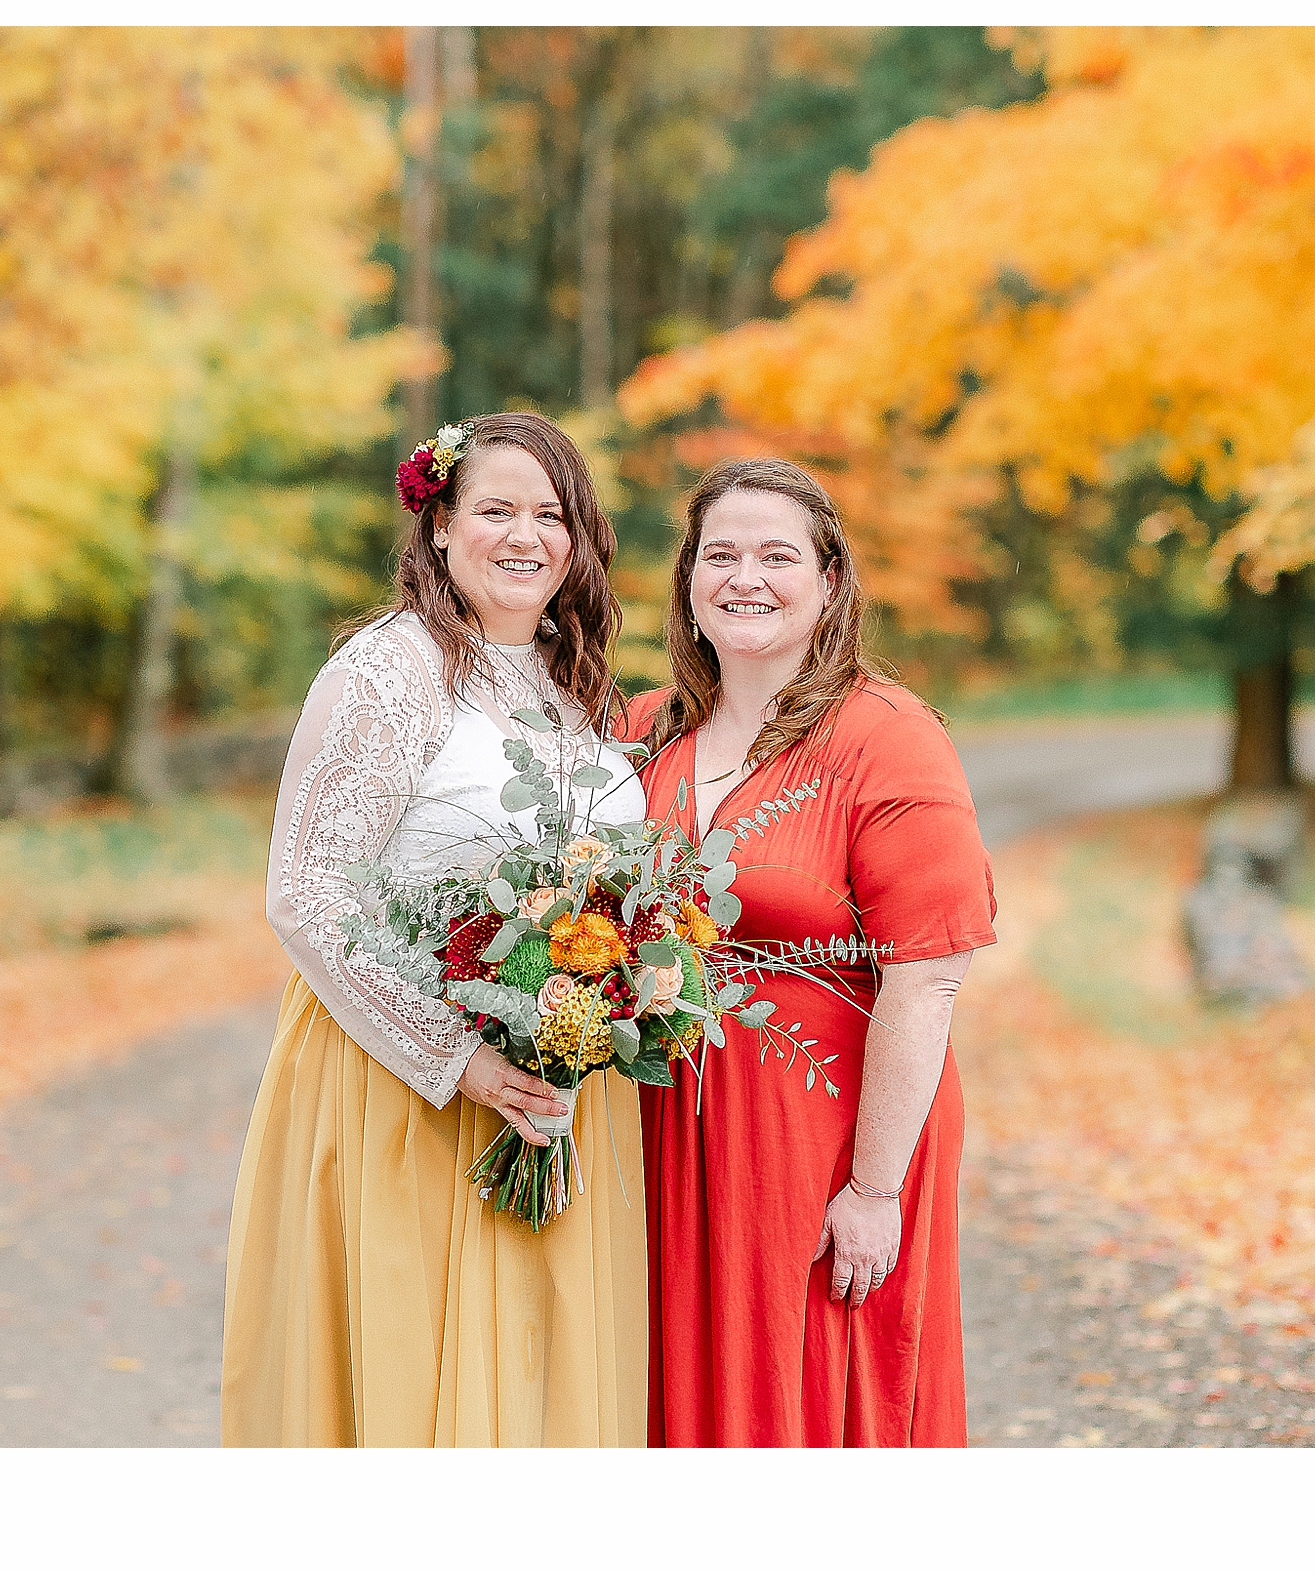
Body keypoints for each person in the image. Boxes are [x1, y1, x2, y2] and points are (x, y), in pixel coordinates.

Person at [223, 411, 649, 1446]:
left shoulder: (574, 681)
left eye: (550, 515)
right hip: (406, 1087)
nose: (524, 535)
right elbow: (307, 892)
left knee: (545, 1390)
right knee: (420, 1393)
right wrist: (456, 1056)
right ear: (441, 528)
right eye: (495, 508)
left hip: (559, 1092)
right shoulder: (390, 668)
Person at [624, 458, 995, 1447]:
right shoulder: (641, 732)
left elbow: (927, 976)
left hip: (824, 1138)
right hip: (664, 1138)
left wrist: (874, 1188)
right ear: (690, 583)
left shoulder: (886, 737)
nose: (746, 576)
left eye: (777, 555)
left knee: (821, 1393)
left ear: (828, 583)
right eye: (722, 554)